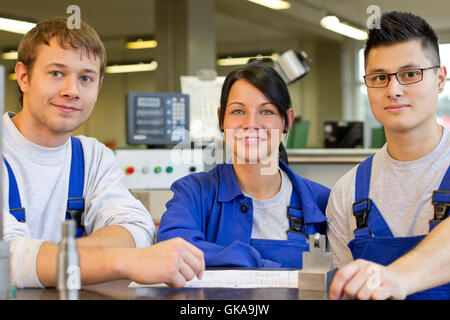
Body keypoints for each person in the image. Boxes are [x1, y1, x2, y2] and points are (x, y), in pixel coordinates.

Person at [3, 17, 204, 289]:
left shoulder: (92, 157)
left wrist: (52, 258)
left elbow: (137, 229)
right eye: (56, 73)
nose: (71, 91)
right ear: (24, 77)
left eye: (86, 78)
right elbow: (8, 258)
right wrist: (122, 261)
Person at [157, 62, 330, 268]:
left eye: (266, 112)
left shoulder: (321, 203)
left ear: (287, 121)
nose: (251, 124)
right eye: (238, 111)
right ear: (221, 119)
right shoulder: (193, 194)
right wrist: (261, 266)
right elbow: (171, 251)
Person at [326, 11, 449, 300]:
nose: (393, 90)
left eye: (410, 74)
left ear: (440, 79)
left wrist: (397, 277)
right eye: (380, 77)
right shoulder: (348, 191)